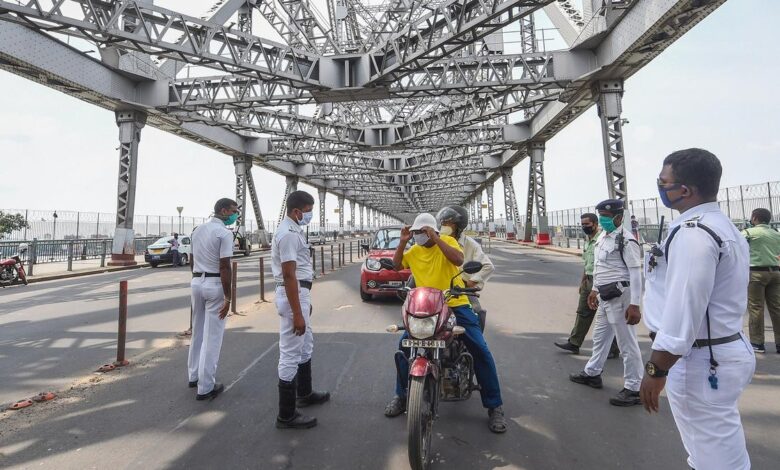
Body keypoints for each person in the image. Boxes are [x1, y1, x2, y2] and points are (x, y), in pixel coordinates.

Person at [640, 148, 755, 470]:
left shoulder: (694, 234)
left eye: (664, 182)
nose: (660, 187)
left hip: (701, 359)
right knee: (718, 447)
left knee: (714, 458)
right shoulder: (721, 225)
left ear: (685, 190)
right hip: (722, 348)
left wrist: (656, 369)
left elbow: (684, 307)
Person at [383, 213, 506, 433]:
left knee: (480, 349)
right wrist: (402, 242)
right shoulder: (414, 250)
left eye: (423, 232)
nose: (419, 236)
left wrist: (437, 239)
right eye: (416, 233)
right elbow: (396, 264)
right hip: (425, 307)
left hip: (455, 303)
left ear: (433, 231)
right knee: (404, 347)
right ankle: (401, 396)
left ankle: (495, 406)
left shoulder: (447, 242)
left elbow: (458, 260)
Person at [569, 199, 644, 407]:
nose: (603, 220)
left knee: (626, 342)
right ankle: (592, 372)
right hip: (604, 295)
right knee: (601, 337)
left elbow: (636, 273)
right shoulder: (603, 236)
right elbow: (601, 265)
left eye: (607, 217)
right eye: (601, 216)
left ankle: (634, 388)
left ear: (619, 218)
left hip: (620, 296)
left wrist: (635, 304)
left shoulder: (627, 241)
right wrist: (594, 291)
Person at [272, 190, 330, 429]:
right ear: (297, 212)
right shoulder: (287, 234)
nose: (310, 215)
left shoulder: (294, 230)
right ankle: (286, 415)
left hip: (300, 293)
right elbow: (288, 275)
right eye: (308, 211)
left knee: (305, 345)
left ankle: (304, 394)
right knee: (290, 352)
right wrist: (297, 312)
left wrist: (303, 304)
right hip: (292, 293)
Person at [187, 198, 237, 401]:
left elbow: (191, 260)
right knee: (212, 336)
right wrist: (228, 296)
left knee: (197, 331)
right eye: (233, 211)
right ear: (223, 211)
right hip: (215, 284)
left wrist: (197, 279)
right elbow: (225, 266)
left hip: (196, 282)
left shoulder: (197, 230)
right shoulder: (224, 233)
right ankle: (206, 386)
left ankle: (193, 375)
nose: (235, 215)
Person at [555, 213, 619, 358]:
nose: (584, 227)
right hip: (588, 280)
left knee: (607, 316)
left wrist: (597, 287)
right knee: (582, 312)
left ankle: (613, 348)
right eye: (582, 225)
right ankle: (574, 343)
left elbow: (603, 264)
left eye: (587, 224)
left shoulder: (602, 240)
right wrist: (583, 281)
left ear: (596, 224)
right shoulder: (588, 240)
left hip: (601, 281)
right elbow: (587, 263)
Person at [436, 205, 494, 330]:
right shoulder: (438, 241)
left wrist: (472, 281)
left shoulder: (470, 244)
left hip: (461, 290)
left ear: (459, 226)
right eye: (443, 223)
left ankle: (475, 345)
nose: (444, 226)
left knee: (476, 312)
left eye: (448, 223)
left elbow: (488, 266)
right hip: (439, 289)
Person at [743, 207, 780, 353]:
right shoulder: (776, 234)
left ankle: (757, 343)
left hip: (756, 274)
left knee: (756, 308)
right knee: (777, 308)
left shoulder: (747, 233)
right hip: (775, 273)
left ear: (754, 218)